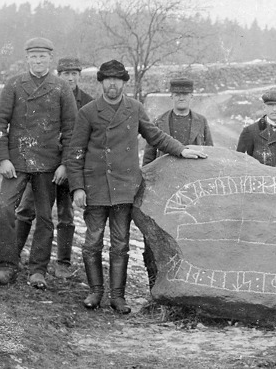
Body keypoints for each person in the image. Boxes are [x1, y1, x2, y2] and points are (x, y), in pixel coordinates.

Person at [66, 60, 208, 314]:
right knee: (92, 241)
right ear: (101, 83)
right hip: (95, 187)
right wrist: (78, 187)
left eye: (117, 80)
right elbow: (75, 152)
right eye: (107, 79)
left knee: (120, 243)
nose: (112, 84)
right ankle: (95, 292)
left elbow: (155, 136)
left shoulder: (134, 109)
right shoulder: (88, 112)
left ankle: (117, 297)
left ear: (124, 83)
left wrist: (182, 149)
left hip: (123, 188)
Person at [0, 38, 77, 288]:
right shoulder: (14, 85)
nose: (38, 61)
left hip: (48, 164)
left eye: (42, 57)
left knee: (45, 218)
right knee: (5, 209)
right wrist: (3, 158)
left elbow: (72, 130)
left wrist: (64, 164)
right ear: (27, 58)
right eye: (33, 57)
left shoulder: (61, 88)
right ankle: (6, 265)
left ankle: (37, 270)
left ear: (50, 59)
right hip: (16, 163)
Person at [14, 57, 93, 279]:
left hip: (71, 168)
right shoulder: (48, 95)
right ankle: (13, 256)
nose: (70, 78)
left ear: (79, 75)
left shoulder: (88, 103)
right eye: (65, 74)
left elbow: (86, 140)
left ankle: (63, 263)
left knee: (66, 215)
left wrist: (67, 165)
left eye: (74, 74)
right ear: (59, 75)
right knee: (26, 210)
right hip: (42, 166)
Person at [141, 77, 214, 290]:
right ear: (171, 96)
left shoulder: (201, 122)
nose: (181, 97)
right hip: (164, 189)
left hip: (193, 191)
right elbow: (148, 157)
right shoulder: (159, 122)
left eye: (185, 94)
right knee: (156, 241)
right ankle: (155, 287)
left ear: (192, 96)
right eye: (177, 94)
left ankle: (191, 288)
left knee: (191, 238)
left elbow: (210, 153)